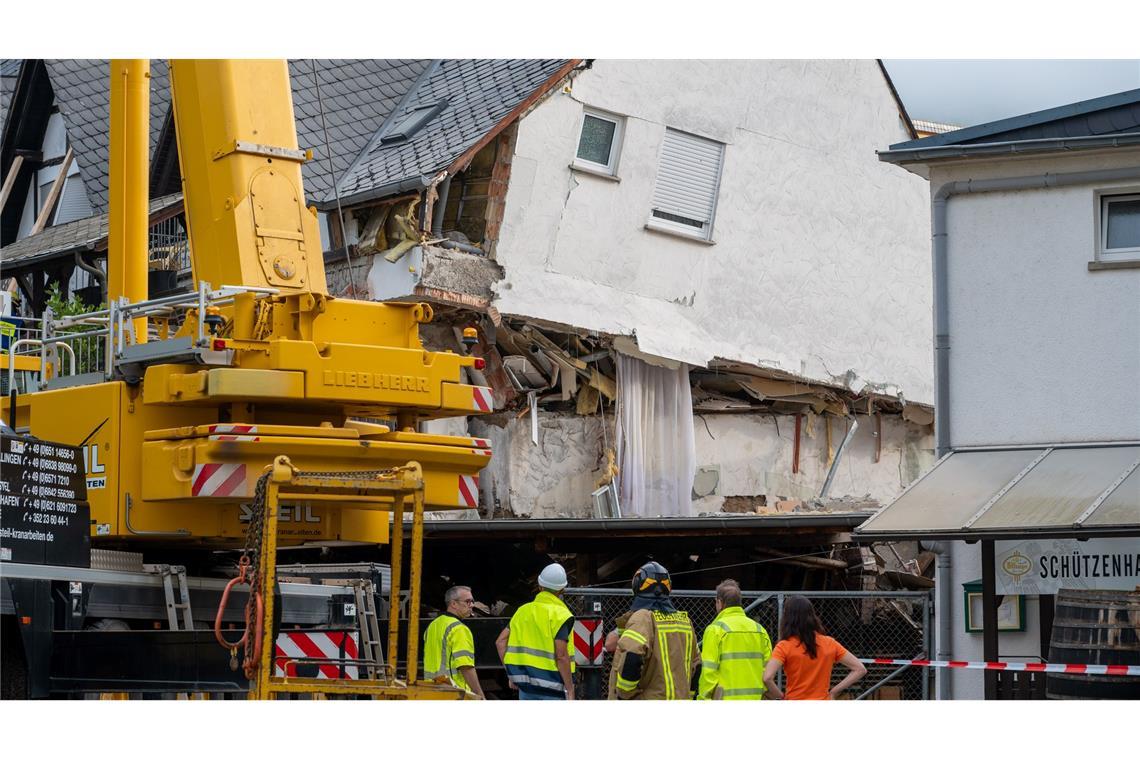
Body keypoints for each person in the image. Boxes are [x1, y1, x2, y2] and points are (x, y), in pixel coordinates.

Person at [608, 561, 699, 700]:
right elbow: (697, 666)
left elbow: (632, 656)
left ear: (637, 586)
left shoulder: (643, 618)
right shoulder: (685, 622)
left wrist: (625, 694)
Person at [496, 563, 576, 700]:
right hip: (553, 689)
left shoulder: (522, 611)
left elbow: (500, 642)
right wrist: (570, 689)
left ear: (540, 586)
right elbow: (561, 656)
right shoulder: (561, 615)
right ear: (562, 589)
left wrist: (512, 674)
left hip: (526, 688)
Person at [762, 595, 866, 700]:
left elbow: (767, 678)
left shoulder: (784, 646)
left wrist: (781, 697)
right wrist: (834, 691)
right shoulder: (829, 643)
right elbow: (860, 669)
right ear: (812, 615)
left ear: (787, 618)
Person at [697, 579, 773, 700]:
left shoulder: (715, 630)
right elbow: (768, 670)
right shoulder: (760, 630)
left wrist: (704, 698)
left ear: (720, 602)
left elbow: (709, 672)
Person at [422, 585, 484, 699]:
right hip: (455, 693)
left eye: (472, 601)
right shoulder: (459, 629)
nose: (472, 605)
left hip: (432, 690)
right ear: (453, 604)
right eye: (468, 601)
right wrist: (480, 695)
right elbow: (466, 667)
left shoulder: (433, 625)